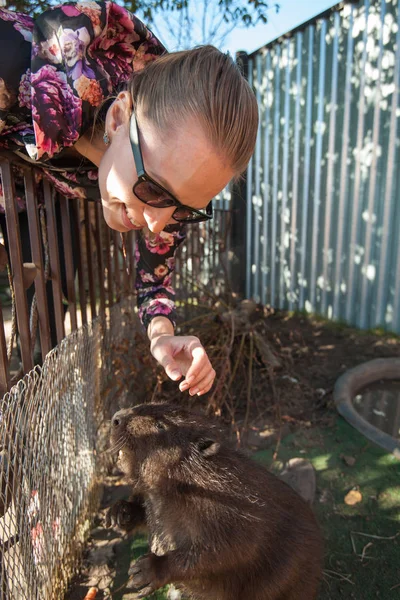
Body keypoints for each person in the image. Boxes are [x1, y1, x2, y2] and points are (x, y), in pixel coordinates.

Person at [0, 1, 258, 397]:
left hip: (29, 196)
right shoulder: (14, 64)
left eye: (185, 209)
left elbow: (155, 286)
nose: (158, 223)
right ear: (119, 118)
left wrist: (162, 336)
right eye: (154, 189)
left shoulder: (162, 200)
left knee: (56, 285)